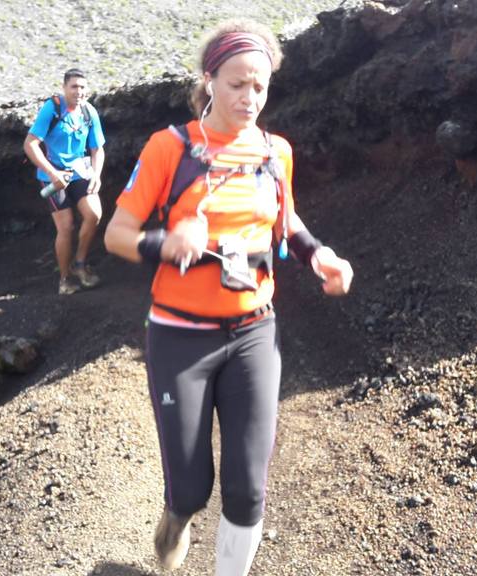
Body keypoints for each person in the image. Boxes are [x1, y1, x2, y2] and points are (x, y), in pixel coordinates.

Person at [104, 20, 353, 575]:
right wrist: (167, 242)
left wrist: (320, 256)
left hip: (253, 332)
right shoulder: (170, 148)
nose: (250, 98)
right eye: (237, 84)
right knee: (191, 488)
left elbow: (287, 221)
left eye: (260, 87)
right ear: (209, 80)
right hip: (179, 337)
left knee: (247, 489)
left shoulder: (275, 151)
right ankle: (176, 518)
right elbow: (116, 236)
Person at [23, 68, 106, 295]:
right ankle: (64, 279)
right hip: (51, 177)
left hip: (79, 172)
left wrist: (96, 174)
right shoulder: (53, 108)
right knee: (66, 226)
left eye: (82, 87)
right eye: (74, 86)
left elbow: (97, 148)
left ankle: (80, 264)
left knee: (94, 214)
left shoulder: (89, 111)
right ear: (64, 87)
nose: (79, 91)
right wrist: (52, 173)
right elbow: (30, 144)